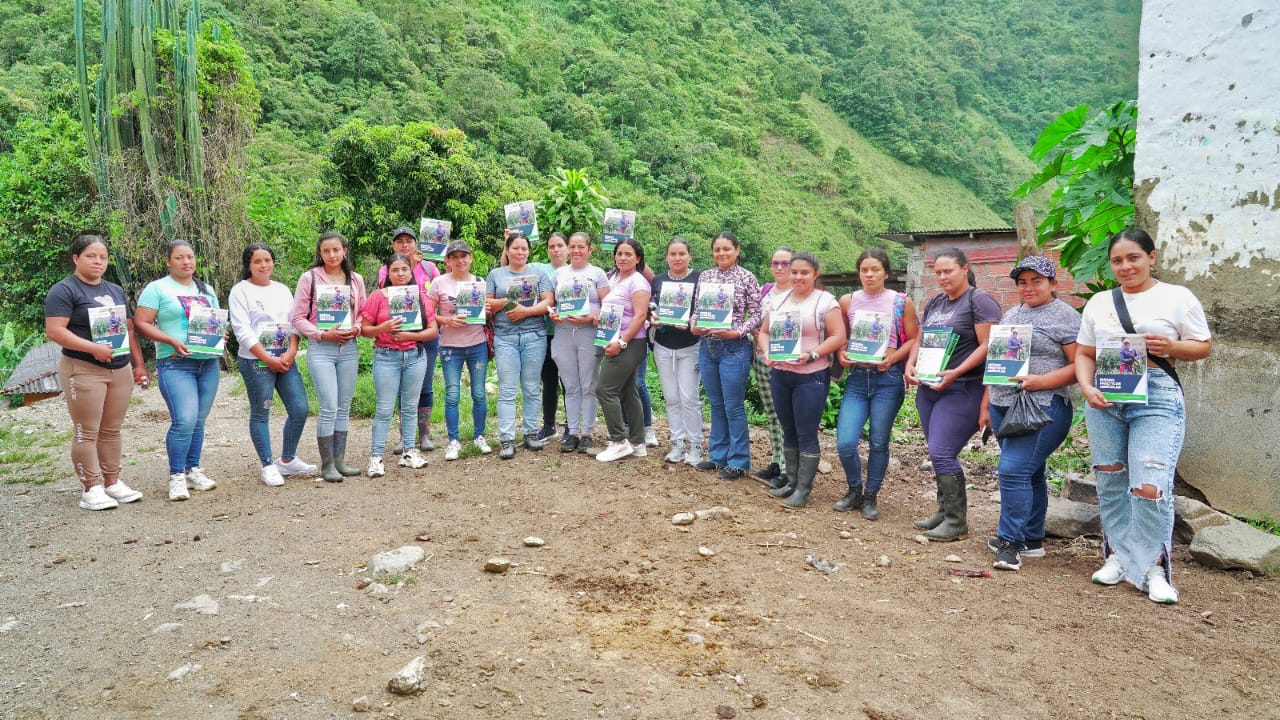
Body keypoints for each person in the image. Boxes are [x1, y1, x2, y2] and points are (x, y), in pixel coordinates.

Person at [1075, 228, 1211, 604]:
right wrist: (1087, 388)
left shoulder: (1177, 298)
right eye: (1117, 260)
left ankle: (1153, 568)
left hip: (1156, 395)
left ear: (1151, 257)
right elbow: (1084, 354)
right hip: (1105, 396)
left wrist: (1173, 346)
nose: (1125, 266)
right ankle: (1118, 556)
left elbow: (1203, 347)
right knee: (1111, 479)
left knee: (1150, 484)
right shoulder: (1101, 302)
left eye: (1133, 257)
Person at [977, 256, 1081, 570]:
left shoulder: (1066, 316)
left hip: (1043, 406)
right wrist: (986, 405)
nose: (1029, 287)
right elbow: (996, 365)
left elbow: (1081, 366)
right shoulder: (1012, 314)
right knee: (1029, 472)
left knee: (1012, 471)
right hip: (1002, 405)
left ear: (1053, 284)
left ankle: (1010, 543)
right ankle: (1032, 537)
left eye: (1037, 281)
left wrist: (1041, 382)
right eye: (1023, 282)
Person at [44, 234, 149, 510]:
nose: (98, 261)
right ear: (76, 258)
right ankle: (91, 488)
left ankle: (112, 482)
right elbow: (55, 331)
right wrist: (92, 348)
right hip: (84, 369)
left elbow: (127, 328)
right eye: (91, 256)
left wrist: (138, 364)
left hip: (119, 368)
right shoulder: (64, 290)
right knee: (86, 431)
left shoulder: (114, 289)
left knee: (112, 429)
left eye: (102, 257)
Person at [905, 247, 1002, 541]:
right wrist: (910, 363)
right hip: (929, 387)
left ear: (964, 268)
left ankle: (957, 521)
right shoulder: (936, 302)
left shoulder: (979, 301)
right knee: (938, 451)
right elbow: (920, 339)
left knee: (941, 451)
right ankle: (943, 510)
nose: (943, 277)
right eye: (938, 272)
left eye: (948, 271)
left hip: (963, 388)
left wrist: (957, 372)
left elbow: (989, 346)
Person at [135, 240, 222, 501]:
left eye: (191, 257)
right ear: (168, 262)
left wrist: (219, 336)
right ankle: (176, 477)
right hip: (175, 363)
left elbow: (213, 322)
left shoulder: (206, 290)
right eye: (180, 258)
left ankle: (193, 470)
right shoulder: (157, 289)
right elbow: (141, 323)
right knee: (184, 420)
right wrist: (170, 340)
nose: (187, 262)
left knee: (198, 420)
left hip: (208, 362)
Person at [834, 248, 918, 519]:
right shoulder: (847, 301)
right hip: (858, 378)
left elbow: (913, 339)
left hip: (887, 379)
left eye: (875, 270)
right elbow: (841, 337)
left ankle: (871, 496)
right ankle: (854, 489)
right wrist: (840, 353)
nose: (869, 275)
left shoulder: (900, 302)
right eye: (864, 270)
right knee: (846, 441)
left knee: (879, 442)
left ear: (886, 273)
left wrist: (894, 356)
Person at [759, 252, 846, 507]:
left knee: (806, 432)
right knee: (788, 429)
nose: (798, 277)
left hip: (811, 376)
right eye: (794, 272)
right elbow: (764, 332)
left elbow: (838, 336)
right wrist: (767, 352)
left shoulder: (825, 302)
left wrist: (813, 354)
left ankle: (803, 489)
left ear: (815, 274)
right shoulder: (779, 300)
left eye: (804, 273)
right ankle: (791, 481)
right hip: (781, 373)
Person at [228, 243, 316, 487]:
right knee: (261, 412)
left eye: (267, 260)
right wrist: (267, 358)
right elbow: (241, 330)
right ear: (248, 265)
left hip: (285, 359)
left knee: (300, 408)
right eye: (257, 261)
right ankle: (267, 465)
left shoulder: (282, 290)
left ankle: (287, 460)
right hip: (256, 362)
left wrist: (291, 350)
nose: (263, 265)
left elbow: (294, 322)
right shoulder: (240, 291)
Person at [291, 232, 366, 482]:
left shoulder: (355, 279)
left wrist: (356, 327)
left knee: (344, 406)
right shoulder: (309, 278)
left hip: (349, 348)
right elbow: (297, 318)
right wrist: (322, 334)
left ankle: (341, 461)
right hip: (321, 349)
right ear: (320, 253)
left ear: (345, 250)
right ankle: (327, 464)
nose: (332, 255)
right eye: (326, 251)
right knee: (329, 406)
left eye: (336, 250)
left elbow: (362, 313)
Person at [690, 231, 762, 479]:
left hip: (734, 348)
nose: (721, 253)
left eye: (726, 249)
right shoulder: (706, 276)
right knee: (717, 404)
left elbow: (756, 314)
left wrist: (737, 332)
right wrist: (694, 325)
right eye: (717, 249)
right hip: (707, 346)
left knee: (733, 406)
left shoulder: (747, 278)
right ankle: (717, 457)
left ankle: (739, 461)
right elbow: (698, 310)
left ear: (737, 250)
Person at [361, 252, 437, 477]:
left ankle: (409, 452)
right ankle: (375, 457)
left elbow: (432, 330)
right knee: (384, 408)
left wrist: (410, 337)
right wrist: (383, 328)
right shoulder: (377, 296)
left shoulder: (420, 297)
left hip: (415, 355)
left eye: (404, 269)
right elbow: (365, 329)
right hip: (386, 356)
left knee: (410, 407)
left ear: (410, 271)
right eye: (395, 270)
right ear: (388, 272)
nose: (400, 273)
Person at [485, 231, 554, 459]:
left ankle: (531, 433)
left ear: (529, 251)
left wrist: (526, 311)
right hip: (505, 336)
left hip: (535, 334)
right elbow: (487, 303)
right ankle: (506, 439)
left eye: (524, 249)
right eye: (515, 248)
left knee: (532, 387)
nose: (520, 252)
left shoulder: (539, 273)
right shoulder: (496, 274)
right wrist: (508, 301)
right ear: (507, 250)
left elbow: (548, 301)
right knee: (507, 389)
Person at [425, 240, 492, 460]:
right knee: (452, 394)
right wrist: (446, 320)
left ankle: (479, 436)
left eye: (464, 256)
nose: (460, 260)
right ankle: (453, 441)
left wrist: (487, 310)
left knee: (479, 393)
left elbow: (487, 316)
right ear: (447, 261)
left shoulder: (480, 282)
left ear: (471, 258)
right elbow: (426, 312)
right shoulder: (438, 283)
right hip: (450, 347)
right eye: (454, 257)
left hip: (477, 344)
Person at [548, 232, 611, 453]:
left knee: (589, 385)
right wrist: (553, 314)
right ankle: (572, 432)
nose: (576, 251)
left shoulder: (597, 273)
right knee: (571, 386)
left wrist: (591, 317)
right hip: (564, 333)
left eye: (581, 247)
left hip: (589, 333)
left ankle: (587, 433)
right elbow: (551, 303)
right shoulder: (559, 274)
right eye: (572, 247)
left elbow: (608, 305)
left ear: (589, 249)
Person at [381, 226, 442, 452]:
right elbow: (383, 294)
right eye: (400, 241)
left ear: (416, 243)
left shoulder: (430, 268)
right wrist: (410, 268)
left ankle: (424, 434)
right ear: (393, 245)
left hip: (426, 334)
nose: (405, 245)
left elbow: (436, 297)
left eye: (409, 241)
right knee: (403, 387)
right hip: (398, 334)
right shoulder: (385, 269)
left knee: (425, 384)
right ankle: (404, 436)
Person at [594, 238, 652, 462]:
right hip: (616, 337)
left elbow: (639, 315)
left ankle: (619, 441)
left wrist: (622, 342)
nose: (623, 257)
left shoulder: (638, 282)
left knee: (605, 389)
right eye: (619, 253)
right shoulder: (616, 278)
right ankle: (638, 442)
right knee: (628, 392)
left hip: (630, 342)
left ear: (638, 258)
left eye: (628, 254)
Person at [650, 237, 703, 465]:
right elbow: (653, 306)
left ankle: (696, 446)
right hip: (663, 345)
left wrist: (692, 321)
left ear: (690, 255)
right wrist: (653, 318)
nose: (677, 258)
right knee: (671, 397)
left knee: (689, 397)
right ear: (667, 257)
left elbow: (704, 309)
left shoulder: (700, 278)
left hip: (690, 345)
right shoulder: (659, 280)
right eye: (673, 254)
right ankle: (677, 444)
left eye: (682, 253)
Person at [751, 247, 795, 483]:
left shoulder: (800, 293)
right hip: (762, 358)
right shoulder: (764, 291)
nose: (779, 267)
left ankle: (790, 467)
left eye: (785, 263)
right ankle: (777, 461)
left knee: (786, 415)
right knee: (772, 413)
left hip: (788, 364)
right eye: (775, 263)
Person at [530, 231, 569, 442]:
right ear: (547, 250)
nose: (556, 250)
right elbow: (510, 267)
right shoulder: (539, 268)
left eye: (560, 245)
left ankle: (571, 426)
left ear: (568, 249)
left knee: (569, 383)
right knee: (549, 381)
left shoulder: (575, 272)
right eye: (552, 246)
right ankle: (548, 425)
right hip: (545, 333)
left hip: (568, 333)